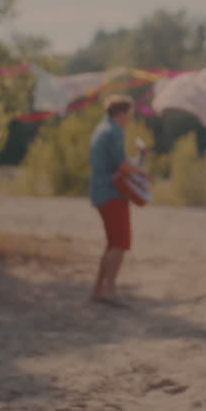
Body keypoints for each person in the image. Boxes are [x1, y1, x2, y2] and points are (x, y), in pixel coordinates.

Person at [88, 94, 145, 306]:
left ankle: (98, 290)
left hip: (100, 193)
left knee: (112, 244)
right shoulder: (114, 132)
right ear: (121, 113)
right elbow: (123, 166)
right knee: (119, 244)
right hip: (112, 194)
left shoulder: (101, 129)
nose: (128, 120)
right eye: (128, 115)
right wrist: (144, 174)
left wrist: (140, 159)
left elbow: (120, 163)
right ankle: (110, 291)